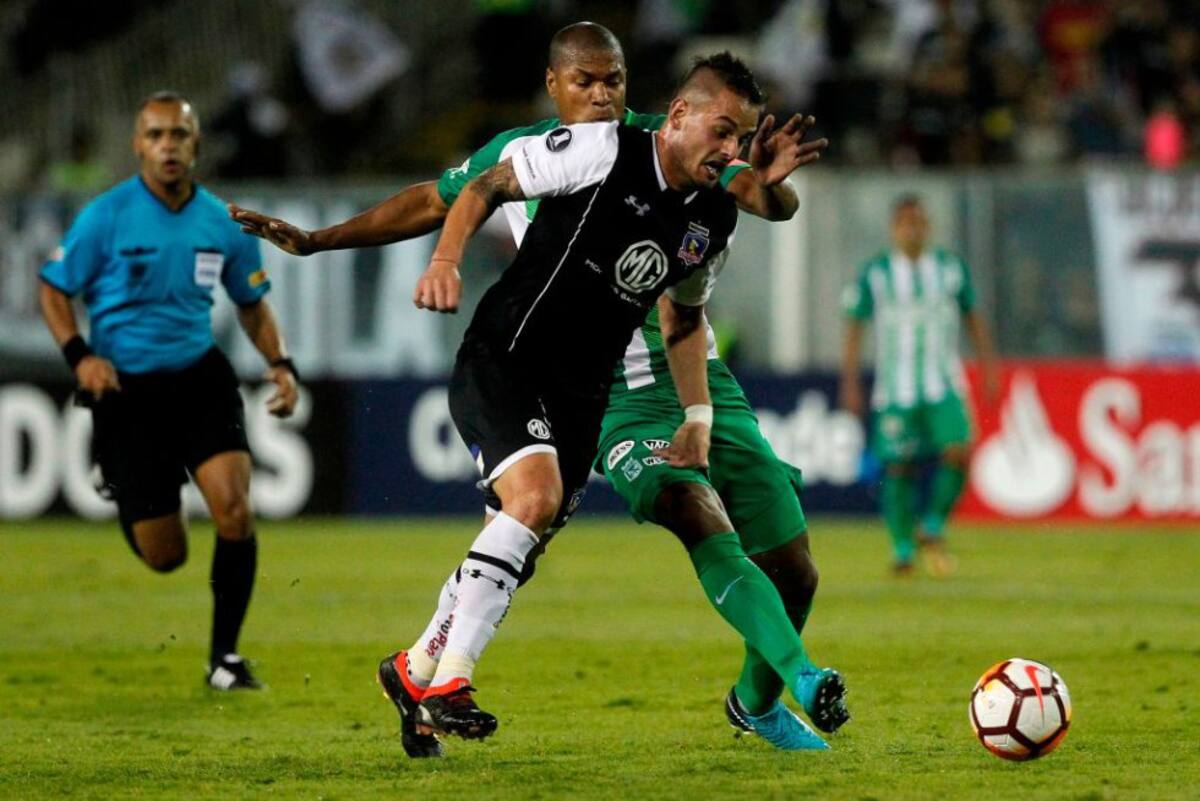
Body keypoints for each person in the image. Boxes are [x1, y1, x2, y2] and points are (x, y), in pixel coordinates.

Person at [232, 25, 844, 755]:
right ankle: (448, 681)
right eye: (586, 82)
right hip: (557, 370)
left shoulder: (668, 142)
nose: (602, 95)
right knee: (544, 507)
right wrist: (325, 241)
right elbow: (439, 199)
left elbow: (749, 194)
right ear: (553, 86)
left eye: (614, 80)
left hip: (632, 380)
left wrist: (768, 192)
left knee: (529, 535)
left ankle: (416, 668)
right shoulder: (547, 151)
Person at [39, 92, 299, 690]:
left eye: (178, 134)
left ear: (195, 144)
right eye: (155, 135)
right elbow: (53, 289)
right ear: (138, 146)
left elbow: (251, 303)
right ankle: (127, 485)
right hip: (125, 390)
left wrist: (281, 364)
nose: (167, 146)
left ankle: (224, 659)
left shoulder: (221, 221)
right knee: (166, 556)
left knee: (235, 510)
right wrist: (80, 357)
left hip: (199, 378)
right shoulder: (105, 216)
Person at [839, 195, 998, 576]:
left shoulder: (949, 268)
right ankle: (903, 548)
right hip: (896, 388)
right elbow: (855, 324)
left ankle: (933, 524)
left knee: (959, 450)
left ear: (928, 227)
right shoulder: (876, 272)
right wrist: (851, 381)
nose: (912, 229)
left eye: (918, 222)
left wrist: (989, 367)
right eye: (905, 222)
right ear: (894, 229)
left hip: (943, 382)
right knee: (898, 467)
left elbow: (973, 316)